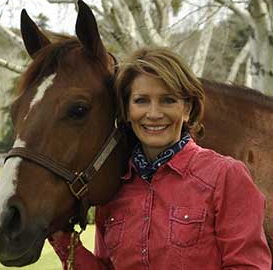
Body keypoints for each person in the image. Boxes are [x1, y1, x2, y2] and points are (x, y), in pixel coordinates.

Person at [49, 47, 272, 269]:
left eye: (168, 100)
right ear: (126, 111)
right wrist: (61, 236)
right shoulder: (116, 190)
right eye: (141, 101)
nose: (154, 114)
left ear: (187, 110)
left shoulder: (225, 176)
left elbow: (248, 265)